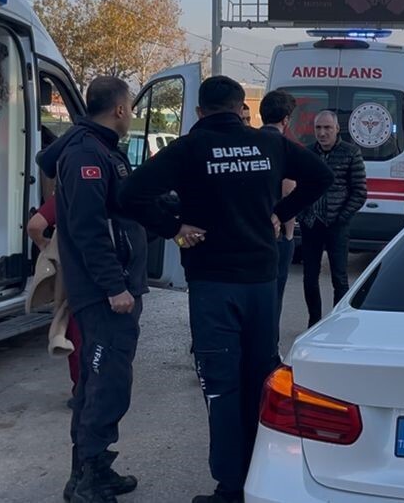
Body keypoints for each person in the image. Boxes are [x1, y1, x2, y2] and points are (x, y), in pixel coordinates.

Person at [118, 76, 332, 503]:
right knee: (261, 379)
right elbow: (320, 176)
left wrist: (174, 227)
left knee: (221, 385)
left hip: (213, 284)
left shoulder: (188, 149)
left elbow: (129, 194)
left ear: (200, 112)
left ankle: (230, 487)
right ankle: (262, 476)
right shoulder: (268, 145)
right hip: (259, 282)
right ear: (240, 109)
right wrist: (279, 212)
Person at [36, 76, 146, 503]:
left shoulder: (99, 148)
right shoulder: (86, 153)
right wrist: (115, 286)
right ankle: (88, 481)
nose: (132, 114)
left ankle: (91, 468)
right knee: (104, 383)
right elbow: (87, 229)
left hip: (111, 289)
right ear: (119, 109)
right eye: (131, 107)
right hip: (105, 295)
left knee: (100, 382)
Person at [298, 110, 368, 327]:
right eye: (318, 128)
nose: (322, 133)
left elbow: (359, 192)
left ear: (337, 129)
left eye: (327, 128)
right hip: (311, 224)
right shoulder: (307, 153)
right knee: (309, 277)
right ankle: (314, 321)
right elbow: (299, 189)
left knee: (339, 278)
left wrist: (342, 217)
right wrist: (302, 214)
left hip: (338, 225)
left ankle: (337, 322)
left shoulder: (350, 153)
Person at [27, 197, 85, 397]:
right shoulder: (106, 186)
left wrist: (43, 244)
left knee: (73, 325)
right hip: (104, 267)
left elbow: (35, 225)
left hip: (71, 268)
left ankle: (80, 389)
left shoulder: (65, 193)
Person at [258, 90, 299, 321]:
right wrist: (290, 234)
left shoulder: (250, 142)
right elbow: (288, 189)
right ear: (285, 120)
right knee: (274, 294)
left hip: (251, 229)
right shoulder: (284, 146)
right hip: (276, 232)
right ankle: (269, 348)